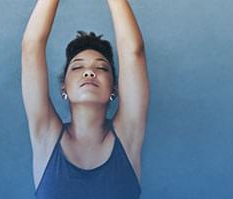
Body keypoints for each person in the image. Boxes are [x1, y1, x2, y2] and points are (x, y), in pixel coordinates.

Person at [21, 0, 149, 198]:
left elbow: (134, 52)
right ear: (64, 86)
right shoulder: (46, 136)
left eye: (101, 68)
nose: (89, 72)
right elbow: (31, 49)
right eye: (78, 67)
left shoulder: (127, 136)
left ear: (115, 88)